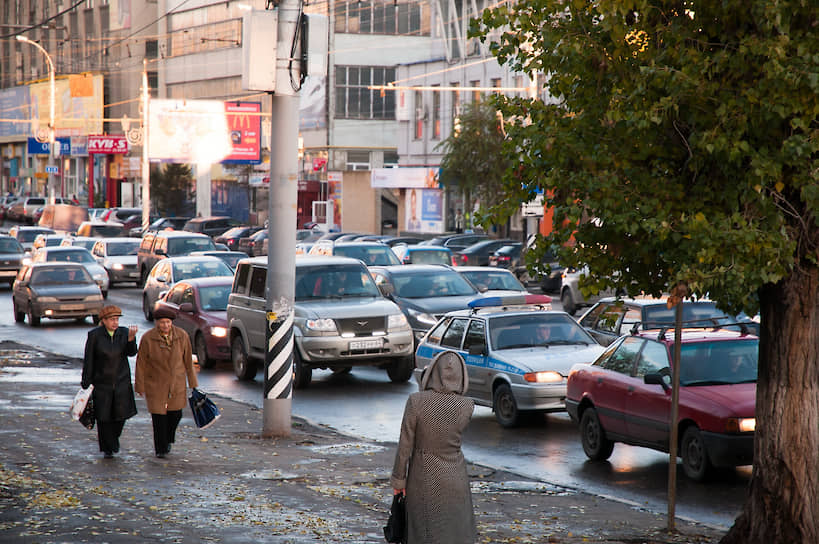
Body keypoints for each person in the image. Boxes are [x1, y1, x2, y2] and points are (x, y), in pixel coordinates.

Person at [390, 351, 476, 543]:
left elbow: (405, 445)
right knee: (455, 530)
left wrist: (399, 480)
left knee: (424, 530)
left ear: (432, 372)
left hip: (423, 475)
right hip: (456, 476)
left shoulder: (416, 401)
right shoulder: (467, 405)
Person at [135, 306, 198, 458]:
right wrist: (139, 385)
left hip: (176, 383)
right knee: (158, 417)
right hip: (155, 383)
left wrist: (193, 383)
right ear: (157, 323)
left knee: (176, 414)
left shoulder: (182, 336)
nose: (165, 325)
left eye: (168, 322)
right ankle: (161, 449)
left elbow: (188, 361)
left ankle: (168, 438)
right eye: (162, 322)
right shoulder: (148, 338)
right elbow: (141, 363)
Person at [81, 305, 138, 459]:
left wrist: (131, 340)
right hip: (102, 383)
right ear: (104, 321)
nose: (115, 323)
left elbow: (131, 353)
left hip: (121, 382)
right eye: (112, 320)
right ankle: (108, 448)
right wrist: (86, 382)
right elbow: (89, 359)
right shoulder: (95, 336)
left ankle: (113, 441)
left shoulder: (124, 333)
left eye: (117, 319)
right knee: (104, 418)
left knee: (121, 416)